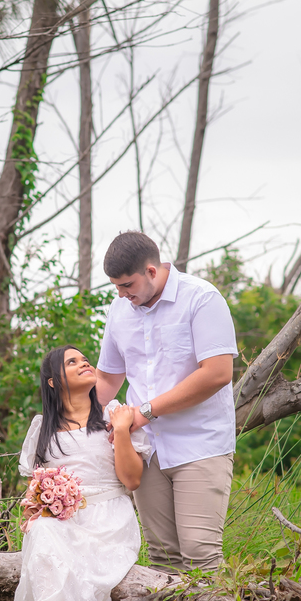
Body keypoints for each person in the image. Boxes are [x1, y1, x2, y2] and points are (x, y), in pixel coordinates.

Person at [95, 231, 238, 574]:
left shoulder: (201, 298)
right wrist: (65, 422)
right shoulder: (119, 310)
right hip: (145, 450)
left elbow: (218, 373)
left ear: (152, 271)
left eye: (127, 285)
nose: (122, 294)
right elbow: (108, 379)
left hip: (200, 443)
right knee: (161, 559)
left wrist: (145, 412)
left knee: (200, 554)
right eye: (116, 287)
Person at [11, 345, 150, 601]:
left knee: (76, 562)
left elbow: (132, 480)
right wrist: (44, 501)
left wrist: (120, 431)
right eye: (72, 362)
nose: (84, 362)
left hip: (109, 520)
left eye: (84, 358)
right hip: (63, 522)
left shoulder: (115, 414)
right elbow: (33, 493)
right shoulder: (43, 428)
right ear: (54, 382)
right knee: (42, 530)